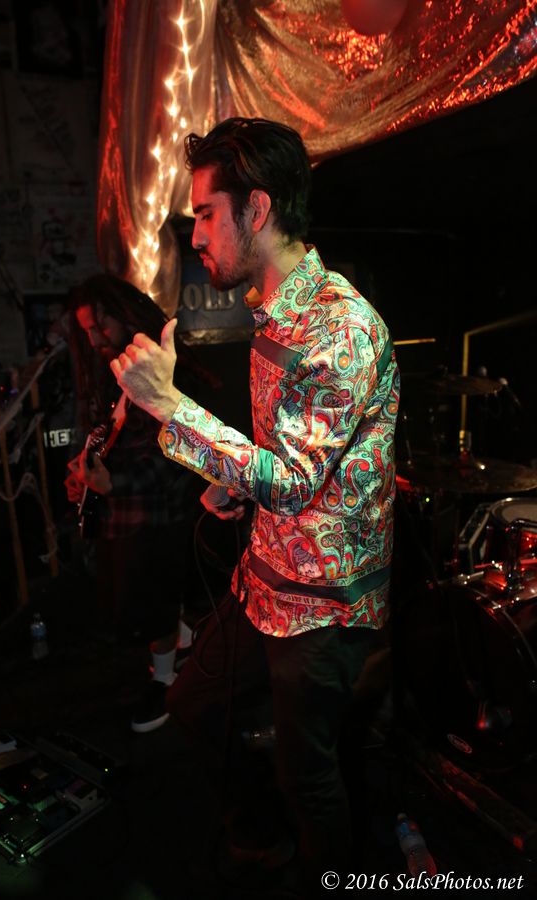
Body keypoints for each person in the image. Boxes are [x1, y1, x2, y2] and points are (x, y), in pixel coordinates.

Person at [110, 118, 399, 891]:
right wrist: (235, 480)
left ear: (258, 209)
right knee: (193, 704)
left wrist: (169, 406)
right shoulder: (273, 309)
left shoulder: (341, 329)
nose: (197, 234)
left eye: (207, 213)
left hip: (322, 608)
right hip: (265, 577)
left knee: (310, 777)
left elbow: (296, 480)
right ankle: (262, 843)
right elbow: (281, 456)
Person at [64, 273, 208, 733]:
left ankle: (165, 684)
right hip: (126, 516)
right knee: (147, 604)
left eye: (99, 326)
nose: (94, 340)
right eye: (86, 331)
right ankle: (183, 644)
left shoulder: (168, 371)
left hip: (158, 517)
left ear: (125, 316)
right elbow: (111, 436)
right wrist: (85, 472)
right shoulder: (115, 377)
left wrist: (114, 482)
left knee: (153, 607)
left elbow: (174, 457)